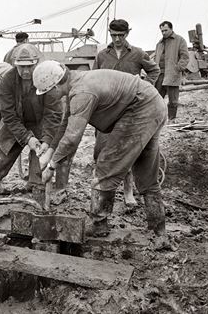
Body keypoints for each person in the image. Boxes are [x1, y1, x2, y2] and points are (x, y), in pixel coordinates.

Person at [34, 60, 168, 240]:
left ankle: (98, 223)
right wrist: (51, 151)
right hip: (153, 103)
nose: (49, 97)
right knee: (145, 170)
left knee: (106, 166)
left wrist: (52, 166)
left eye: (48, 93)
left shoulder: (82, 92)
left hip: (140, 108)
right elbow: (65, 124)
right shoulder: (77, 82)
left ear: (56, 86)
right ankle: (158, 229)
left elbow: (72, 138)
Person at [0, 44, 62, 203]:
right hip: (13, 127)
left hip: (40, 127)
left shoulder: (46, 77)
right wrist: (26, 138)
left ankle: (39, 211)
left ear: (36, 64)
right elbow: (8, 114)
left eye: (29, 67)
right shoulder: (8, 80)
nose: (25, 71)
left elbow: (53, 114)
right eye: (21, 67)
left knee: (39, 170)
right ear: (15, 65)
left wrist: (46, 140)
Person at [95, 19, 160, 208]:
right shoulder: (102, 56)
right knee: (103, 151)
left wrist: (145, 86)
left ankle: (128, 190)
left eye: (120, 36)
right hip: (106, 112)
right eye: (113, 35)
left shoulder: (137, 53)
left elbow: (154, 70)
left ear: (127, 34)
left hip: (130, 111)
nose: (116, 39)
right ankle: (104, 194)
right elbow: (93, 78)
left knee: (129, 151)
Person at [154, 21, 189, 121]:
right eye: (162, 31)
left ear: (171, 29)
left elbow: (185, 57)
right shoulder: (159, 44)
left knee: (173, 101)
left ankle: (171, 119)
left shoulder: (180, 40)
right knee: (156, 99)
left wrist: (178, 68)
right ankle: (158, 120)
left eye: (165, 30)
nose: (163, 33)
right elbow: (156, 58)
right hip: (160, 75)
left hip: (172, 74)